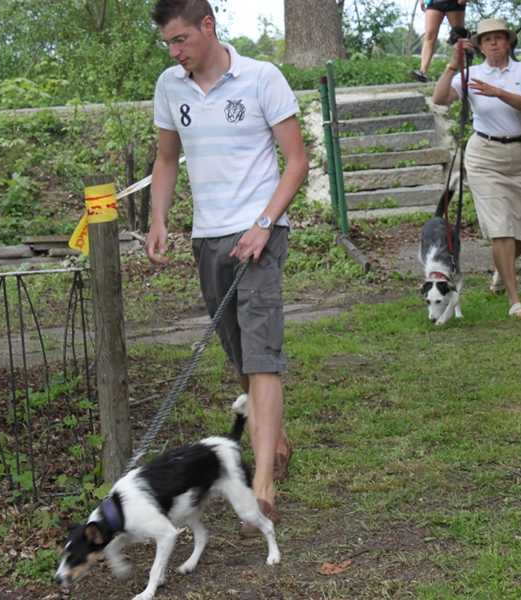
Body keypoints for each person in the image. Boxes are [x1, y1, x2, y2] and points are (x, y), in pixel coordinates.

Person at [146, 0, 308, 528]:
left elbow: (297, 161)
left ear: (208, 26)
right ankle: (273, 436)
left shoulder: (262, 78)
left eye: (181, 40)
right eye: (168, 43)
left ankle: (262, 482)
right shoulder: (171, 87)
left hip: (259, 234)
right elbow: (166, 159)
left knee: (261, 355)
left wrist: (264, 223)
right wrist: (158, 219)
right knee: (239, 354)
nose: (175, 52)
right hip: (208, 237)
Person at [431, 18, 521, 319]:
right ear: (479, 46)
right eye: (486, 39)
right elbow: (440, 99)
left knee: (520, 236)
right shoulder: (472, 74)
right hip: (484, 156)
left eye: (499, 38)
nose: (493, 43)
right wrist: (452, 66)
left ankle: (501, 271)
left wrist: (498, 92)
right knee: (500, 228)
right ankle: (514, 300)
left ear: (508, 42)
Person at [413, 0, 468, 82]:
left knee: (458, 36)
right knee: (430, 35)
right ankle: (422, 71)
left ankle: (462, 70)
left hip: (455, 3)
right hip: (434, 2)